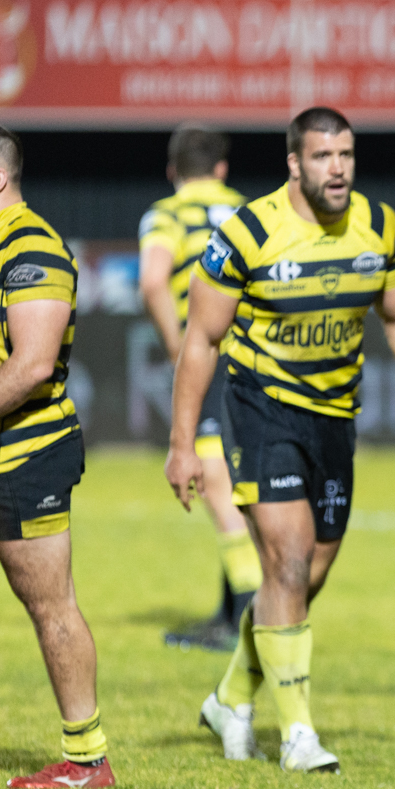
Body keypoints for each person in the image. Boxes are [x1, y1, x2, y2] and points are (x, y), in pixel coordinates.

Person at [166, 107, 395, 773]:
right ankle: (299, 732)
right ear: (294, 164)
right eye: (323, 156)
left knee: (306, 577)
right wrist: (183, 441)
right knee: (289, 561)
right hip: (261, 407)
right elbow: (202, 339)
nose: (337, 168)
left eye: (346, 155)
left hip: (334, 416)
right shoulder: (247, 233)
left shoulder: (378, 227)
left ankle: (229, 697)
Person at [0, 123, 114, 789]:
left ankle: (87, 758)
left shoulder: (35, 248)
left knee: (50, 607)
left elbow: (34, 364)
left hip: (23, 456)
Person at [139, 125, 260, 652]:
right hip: (255, 356)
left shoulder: (166, 214)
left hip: (211, 355)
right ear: (221, 169)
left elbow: (151, 280)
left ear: (172, 170)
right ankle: (229, 615)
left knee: (214, 484)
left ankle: (252, 614)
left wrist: (176, 345)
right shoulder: (251, 211)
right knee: (240, 480)